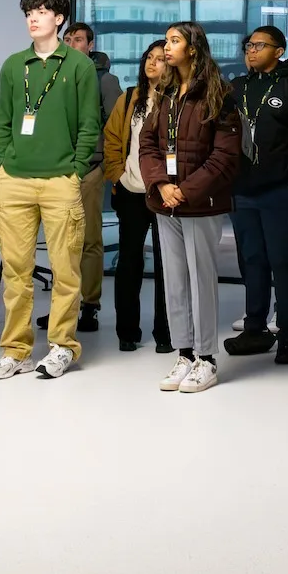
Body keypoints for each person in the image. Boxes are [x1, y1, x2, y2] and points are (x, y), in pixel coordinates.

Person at [0, 0, 102, 381]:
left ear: (59, 19)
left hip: (60, 181)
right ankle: (16, 350)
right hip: (15, 180)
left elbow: (90, 125)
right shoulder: (12, 65)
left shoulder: (78, 66)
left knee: (65, 268)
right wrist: (1, 163)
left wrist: (74, 169)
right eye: (28, 13)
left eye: (41, 11)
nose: (33, 18)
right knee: (15, 271)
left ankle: (62, 347)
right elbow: (2, 122)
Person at [141, 21, 242, 393]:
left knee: (201, 282)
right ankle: (184, 354)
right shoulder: (165, 92)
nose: (166, 48)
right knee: (176, 283)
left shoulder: (219, 94)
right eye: (166, 41)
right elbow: (147, 144)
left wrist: (183, 190)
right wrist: (161, 184)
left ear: (194, 49)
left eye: (174, 41)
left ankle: (207, 359)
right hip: (165, 203)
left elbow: (224, 157)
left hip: (201, 203)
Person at [225, 25, 288, 365]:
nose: (251, 50)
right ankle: (255, 329)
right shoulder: (236, 88)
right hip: (242, 191)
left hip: (280, 191)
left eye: (260, 45)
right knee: (251, 260)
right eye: (248, 45)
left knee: (281, 262)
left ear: (278, 51)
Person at [102, 42, 172, 354]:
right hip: (131, 191)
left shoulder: (178, 98)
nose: (152, 64)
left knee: (167, 265)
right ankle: (127, 332)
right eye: (149, 58)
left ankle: (166, 333)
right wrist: (116, 174)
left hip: (166, 193)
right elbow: (112, 138)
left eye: (160, 59)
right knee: (129, 263)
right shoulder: (130, 97)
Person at [64, 20, 118, 335]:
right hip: (57, 170)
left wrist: (104, 168)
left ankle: (90, 305)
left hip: (90, 169)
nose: (72, 44)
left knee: (89, 240)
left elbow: (115, 127)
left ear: (90, 45)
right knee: (61, 242)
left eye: (78, 39)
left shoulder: (104, 81)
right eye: (67, 38)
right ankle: (65, 306)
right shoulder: (54, 77)